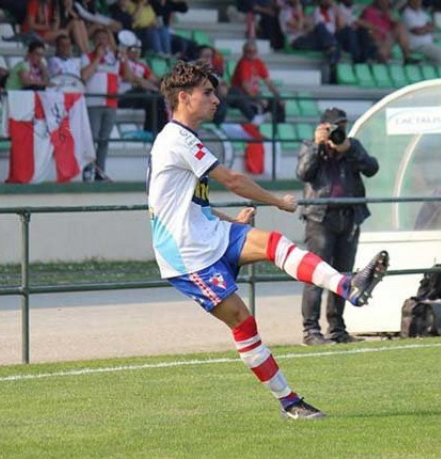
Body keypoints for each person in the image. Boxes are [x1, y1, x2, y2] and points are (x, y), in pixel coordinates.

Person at [148, 61, 388, 419]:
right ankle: (289, 402)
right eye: (207, 93)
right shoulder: (176, 139)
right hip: (185, 255)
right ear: (183, 97)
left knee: (274, 243)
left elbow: (188, 206)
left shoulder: (186, 139)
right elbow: (233, 180)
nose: (216, 99)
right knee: (243, 322)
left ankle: (347, 285)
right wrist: (278, 201)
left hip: (208, 233)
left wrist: (231, 220)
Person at [295, 107, 379, 345]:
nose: (338, 131)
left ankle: (337, 329)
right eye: (333, 127)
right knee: (315, 273)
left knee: (344, 275)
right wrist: (316, 145)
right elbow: (303, 173)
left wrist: (349, 150)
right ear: (323, 128)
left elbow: (372, 168)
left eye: (342, 126)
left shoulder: (352, 146)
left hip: (349, 216)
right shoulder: (310, 145)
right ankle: (311, 330)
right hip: (320, 218)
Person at [81, 28, 126, 181]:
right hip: (93, 103)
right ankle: (87, 171)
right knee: (91, 139)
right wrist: (97, 58)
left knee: (104, 140)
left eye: (104, 38)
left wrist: (124, 59)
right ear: (94, 41)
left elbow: (127, 76)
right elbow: (84, 77)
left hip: (111, 103)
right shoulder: (86, 57)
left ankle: (100, 172)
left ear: (108, 41)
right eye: (98, 38)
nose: (101, 41)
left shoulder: (115, 59)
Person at [228, 40, 284, 125]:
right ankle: (255, 121)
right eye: (249, 51)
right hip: (242, 97)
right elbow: (245, 86)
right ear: (244, 52)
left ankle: (280, 129)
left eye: (254, 51)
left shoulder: (258, 63)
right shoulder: (243, 63)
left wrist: (278, 96)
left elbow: (269, 83)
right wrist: (258, 99)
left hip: (253, 96)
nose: (252, 53)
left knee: (276, 104)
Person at [402, 0, 441, 66]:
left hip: (429, 44)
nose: (418, 3)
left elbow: (432, 25)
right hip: (418, 46)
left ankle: (432, 67)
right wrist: (427, 28)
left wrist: (425, 29)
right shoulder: (407, 13)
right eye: (415, 1)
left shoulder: (421, 12)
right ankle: (428, 67)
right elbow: (417, 31)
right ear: (410, 1)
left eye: (419, 1)